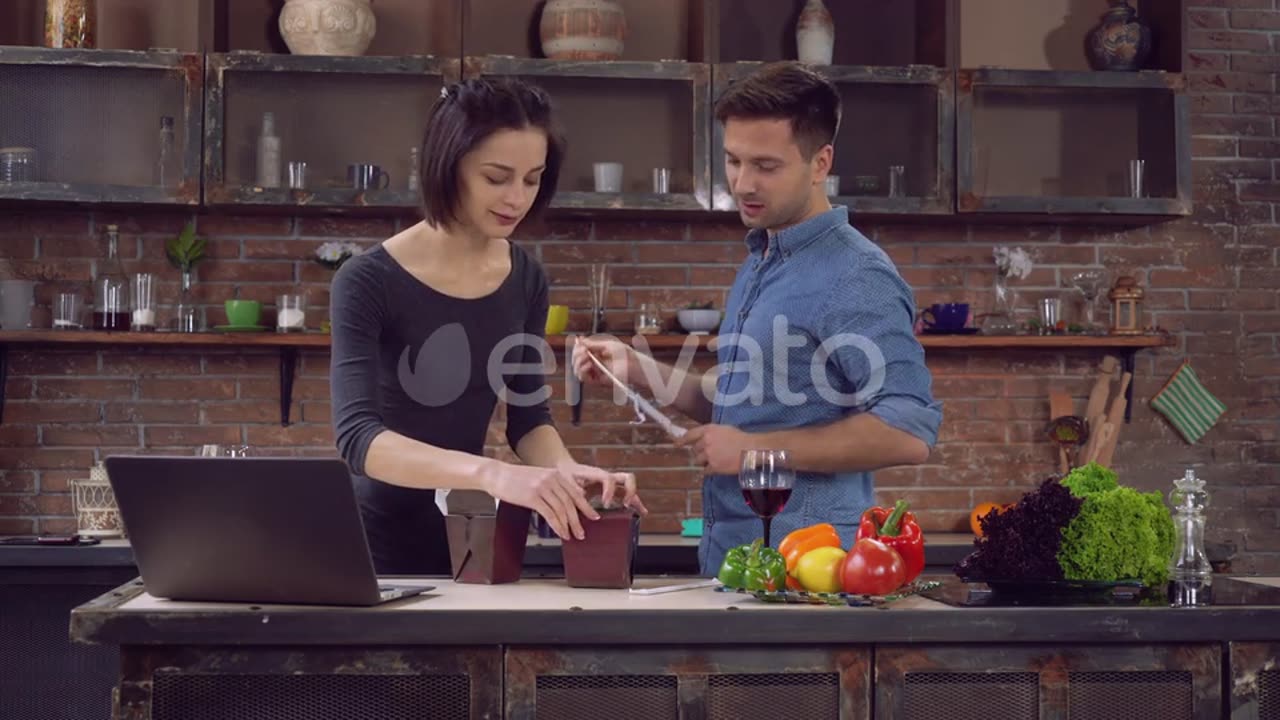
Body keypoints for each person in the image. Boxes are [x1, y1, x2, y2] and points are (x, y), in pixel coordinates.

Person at [573, 62, 941, 576]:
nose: (743, 183)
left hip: (813, 575)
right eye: (733, 161)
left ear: (820, 163)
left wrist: (755, 451)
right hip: (739, 566)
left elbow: (909, 430)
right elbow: (739, 405)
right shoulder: (762, 261)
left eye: (766, 166)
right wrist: (635, 368)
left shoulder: (856, 274)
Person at [330, 77, 646, 576]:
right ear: (448, 167)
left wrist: (567, 474)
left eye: (533, 178)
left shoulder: (526, 278)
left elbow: (528, 420)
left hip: (470, 538)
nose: (516, 198)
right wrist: (493, 475)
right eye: (497, 177)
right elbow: (360, 439)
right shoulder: (367, 279)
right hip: (373, 547)